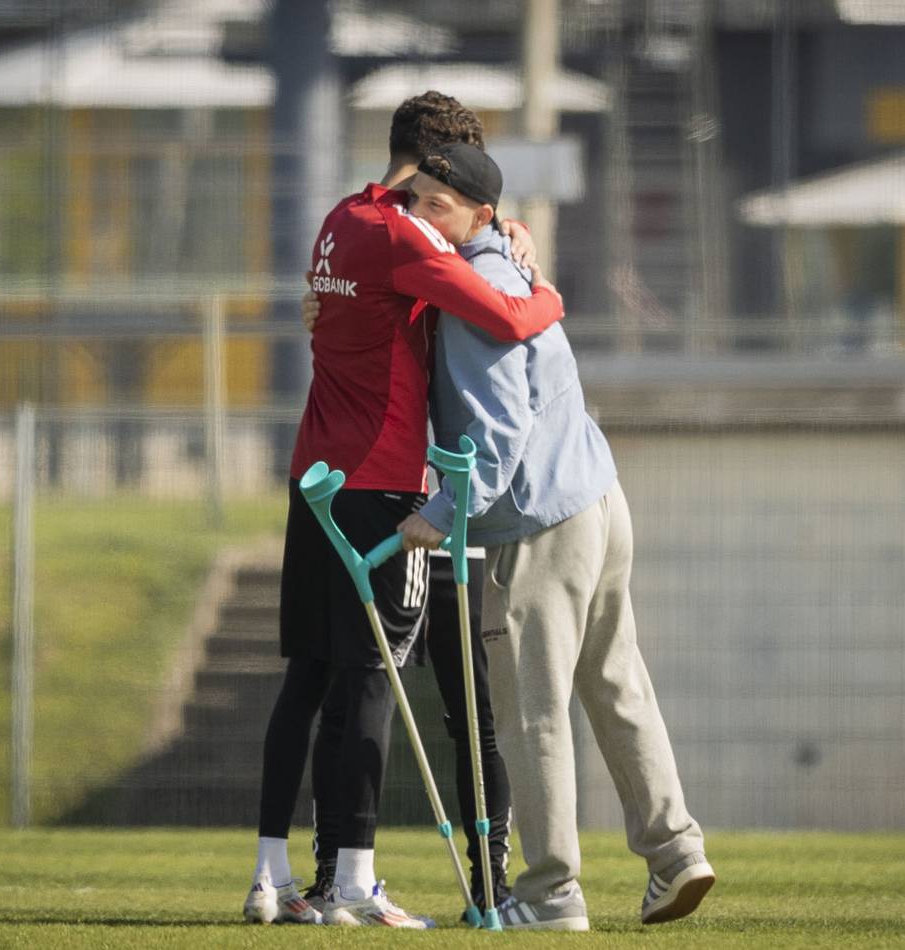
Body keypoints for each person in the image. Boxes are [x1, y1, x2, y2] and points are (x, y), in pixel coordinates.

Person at [243, 92, 561, 929]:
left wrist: (505, 226)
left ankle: (275, 876)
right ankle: (357, 881)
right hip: (387, 482)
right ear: (434, 164)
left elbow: (350, 307)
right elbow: (507, 315)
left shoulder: (341, 218)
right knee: (379, 680)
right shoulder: (403, 232)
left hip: (315, 471)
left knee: (312, 678)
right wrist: (548, 290)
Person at [397, 142, 716, 931]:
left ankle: (549, 895)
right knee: (618, 685)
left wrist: (439, 514)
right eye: (414, 200)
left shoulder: (472, 289)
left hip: (540, 523)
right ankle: (677, 855)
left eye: (437, 204)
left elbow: (500, 431)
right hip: (598, 501)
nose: (420, 215)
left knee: (532, 714)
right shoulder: (507, 263)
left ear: (480, 214)